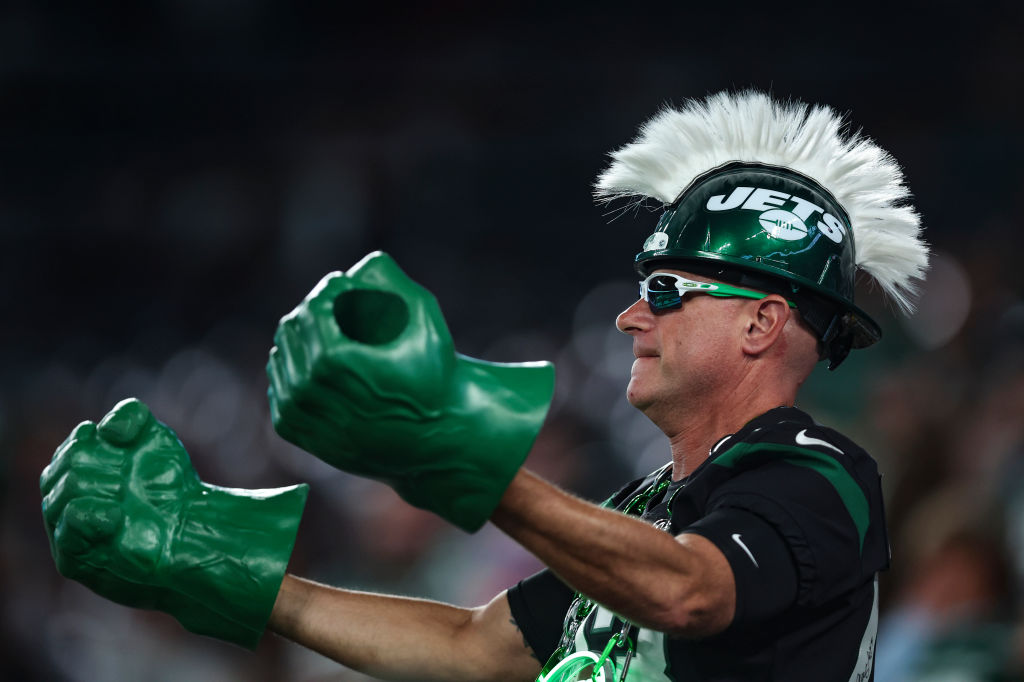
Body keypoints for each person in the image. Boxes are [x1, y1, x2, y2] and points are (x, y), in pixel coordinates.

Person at [40, 90, 928, 681]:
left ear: (762, 323)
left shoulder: (821, 476)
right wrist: (228, 573)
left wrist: (463, 463)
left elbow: (691, 593)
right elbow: (475, 648)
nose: (629, 318)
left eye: (664, 290)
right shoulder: (650, 505)